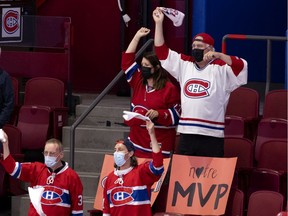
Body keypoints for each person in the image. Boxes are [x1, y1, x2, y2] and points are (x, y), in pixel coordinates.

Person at [153, 8, 248, 157]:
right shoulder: (185, 64)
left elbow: (241, 66)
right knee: (183, 176)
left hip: (212, 134)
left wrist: (220, 55)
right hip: (186, 133)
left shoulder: (221, 68)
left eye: (200, 47)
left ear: (210, 48)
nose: (195, 49)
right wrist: (158, 24)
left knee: (208, 179)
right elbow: (161, 52)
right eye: (194, 47)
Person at [122, 27, 181, 158]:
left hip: (159, 144)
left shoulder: (169, 88)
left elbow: (177, 115)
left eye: (147, 66)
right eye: (142, 65)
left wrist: (158, 114)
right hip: (136, 143)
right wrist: (137, 37)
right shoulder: (138, 80)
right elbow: (127, 61)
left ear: (156, 68)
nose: (143, 69)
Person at [0, 133, 84, 216]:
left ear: (61, 154)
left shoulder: (72, 176)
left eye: (51, 153)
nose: (47, 156)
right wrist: (5, 143)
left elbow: (77, 211)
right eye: (46, 153)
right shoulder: (36, 169)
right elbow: (12, 168)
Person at [102, 120, 164, 216]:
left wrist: (152, 134)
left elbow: (158, 166)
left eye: (120, 150)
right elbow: (106, 211)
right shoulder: (109, 178)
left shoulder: (141, 172)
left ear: (130, 153)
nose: (116, 153)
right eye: (115, 150)